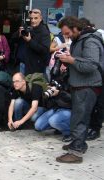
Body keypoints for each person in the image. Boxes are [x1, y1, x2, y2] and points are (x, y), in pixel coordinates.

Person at [55, 16, 103, 163]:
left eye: (68, 33)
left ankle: (76, 153)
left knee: (79, 119)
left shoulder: (91, 41)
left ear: (76, 28)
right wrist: (70, 58)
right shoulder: (80, 39)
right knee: (78, 117)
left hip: (88, 86)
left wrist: (72, 60)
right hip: (81, 85)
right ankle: (79, 143)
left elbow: (90, 65)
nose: (67, 36)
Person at [19, 9, 51, 75]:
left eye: (36, 18)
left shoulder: (44, 31)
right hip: (24, 63)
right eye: (31, 18)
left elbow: (45, 50)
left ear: (40, 18)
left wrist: (30, 41)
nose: (33, 20)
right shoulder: (27, 27)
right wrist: (18, 34)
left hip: (36, 67)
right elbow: (13, 40)